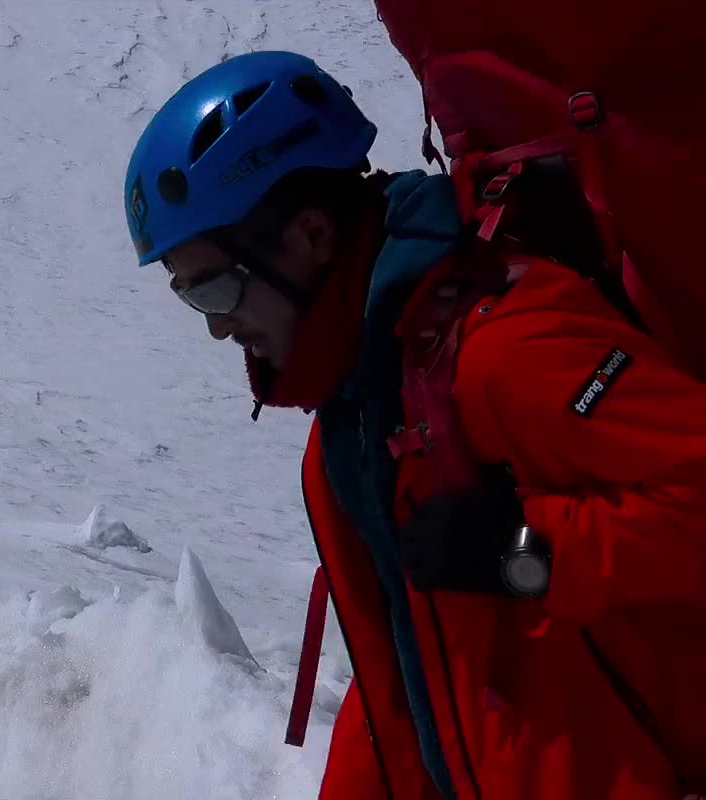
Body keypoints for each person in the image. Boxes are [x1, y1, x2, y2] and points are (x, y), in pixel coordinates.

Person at [122, 50, 706, 799]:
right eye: (190, 298)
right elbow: (405, 678)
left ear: (311, 236)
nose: (216, 327)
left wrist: (523, 552)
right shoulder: (359, 413)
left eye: (214, 291)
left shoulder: (503, 350)